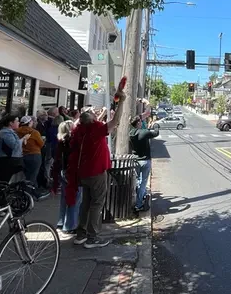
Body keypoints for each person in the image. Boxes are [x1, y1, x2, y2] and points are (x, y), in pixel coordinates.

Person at [67, 86, 126, 249]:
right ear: (92, 120)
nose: (96, 114)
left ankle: (81, 234)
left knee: (86, 203)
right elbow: (116, 121)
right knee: (97, 203)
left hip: (83, 173)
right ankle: (92, 238)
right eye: (94, 114)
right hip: (97, 173)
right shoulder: (96, 130)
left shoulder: (81, 131)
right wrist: (122, 102)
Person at [52, 120, 82, 236]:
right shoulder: (71, 141)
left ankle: (61, 222)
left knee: (65, 199)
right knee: (74, 199)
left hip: (62, 171)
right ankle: (70, 225)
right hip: (71, 172)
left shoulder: (61, 140)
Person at [129, 114, 159, 214]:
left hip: (136, 160)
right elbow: (155, 133)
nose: (141, 122)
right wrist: (155, 125)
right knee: (143, 182)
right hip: (145, 160)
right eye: (140, 121)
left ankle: (139, 197)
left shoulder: (131, 133)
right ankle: (139, 204)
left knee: (137, 180)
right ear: (138, 123)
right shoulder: (144, 132)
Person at [0, 114, 26, 182]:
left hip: (6, 160)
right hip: (3, 161)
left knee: (5, 182)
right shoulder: (5, 133)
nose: (19, 123)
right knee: (2, 183)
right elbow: (14, 145)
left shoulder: (9, 132)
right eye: (17, 121)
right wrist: (23, 139)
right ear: (11, 123)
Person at [16, 116, 45, 186]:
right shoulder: (34, 132)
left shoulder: (16, 131)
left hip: (23, 156)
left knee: (28, 176)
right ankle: (29, 193)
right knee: (33, 177)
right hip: (34, 155)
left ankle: (31, 193)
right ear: (29, 123)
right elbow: (41, 144)